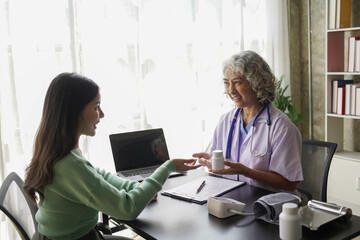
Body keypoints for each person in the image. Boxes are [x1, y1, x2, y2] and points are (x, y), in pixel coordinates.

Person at [23, 72, 200, 240]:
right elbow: (128, 208)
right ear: (73, 112)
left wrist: (135, 187)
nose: (102, 114)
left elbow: (97, 175)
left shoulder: (55, 149)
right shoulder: (69, 163)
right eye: (96, 107)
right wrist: (168, 167)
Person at [193, 50, 303, 195]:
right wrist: (209, 160)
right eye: (227, 83)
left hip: (268, 205)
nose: (231, 90)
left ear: (256, 82)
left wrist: (246, 172)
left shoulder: (282, 127)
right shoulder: (226, 121)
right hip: (232, 198)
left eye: (237, 82)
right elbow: (215, 158)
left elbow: (290, 183)